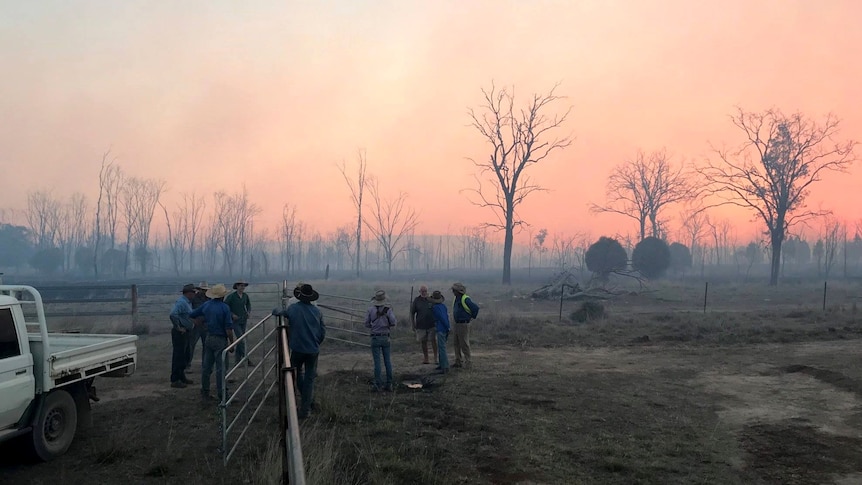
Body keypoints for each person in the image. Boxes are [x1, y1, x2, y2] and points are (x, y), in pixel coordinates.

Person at [271, 283, 326, 419]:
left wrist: (276, 310)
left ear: (299, 296)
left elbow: (278, 312)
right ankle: (306, 408)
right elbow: (323, 331)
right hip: (313, 350)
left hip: (298, 348)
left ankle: (299, 400)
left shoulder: (293, 309)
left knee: (296, 373)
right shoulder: (317, 311)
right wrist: (316, 342)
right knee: (309, 378)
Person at [190, 284, 235, 402]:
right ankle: (222, 395)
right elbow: (228, 328)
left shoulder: (206, 305)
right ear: (222, 296)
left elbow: (192, 314)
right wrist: (232, 343)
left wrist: (197, 322)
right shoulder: (225, 308)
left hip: (209, 337)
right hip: (220, 339)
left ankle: (205, 392)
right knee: (221, 368)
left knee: (206, 367)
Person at [365, 290, 396, 391]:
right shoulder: (388, 310)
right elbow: (393, 322)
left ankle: (378, 384)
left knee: (377, 362)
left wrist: (373, 325)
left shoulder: (370, 310)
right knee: (387, 361)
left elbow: (366, 323)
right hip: (385, 337)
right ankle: (389, 383)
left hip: (375, 337)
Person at [169, 284, 196, 388]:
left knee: (185, 355)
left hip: (186, 332)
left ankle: (181, 376)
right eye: (193, 292)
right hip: (180, 333)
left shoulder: (187, 302)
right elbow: (173, 314)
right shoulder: (182, 302)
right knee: (179, 356)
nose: (194, 294)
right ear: (188, 293)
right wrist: (178, 326)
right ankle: (175, 379)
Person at [450, 282, 480, 369]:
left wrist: (471, 317)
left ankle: (468, 362)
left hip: (463, 324)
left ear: (458, 291)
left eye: (454, 290)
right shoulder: (456, 299)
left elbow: (475, 308)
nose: (452, 292)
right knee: (456, 343)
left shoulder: (465, 299)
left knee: (464, 344)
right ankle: (458, 361)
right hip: (456, 324)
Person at [225, 280, 253, 367]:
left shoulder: (245, 296)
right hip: (235, 321)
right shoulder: (231, 296)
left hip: (243, 319)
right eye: (241, 286)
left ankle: (237, 360)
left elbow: (248, 304)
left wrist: (248, 312)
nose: (242, 287)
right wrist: (232, 314)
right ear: (237, 286)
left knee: (240, 339)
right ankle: (246, 358)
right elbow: (225, 306)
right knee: (241, 339)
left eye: (243, 286)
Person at [410, 285, 437, 364]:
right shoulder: (416, 300)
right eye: (422, 291)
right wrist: (413, 324)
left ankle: (436, 358)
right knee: (423, 342)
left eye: (425, 291)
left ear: (427, 291)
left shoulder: (431, 300)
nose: (424, 292)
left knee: (433, 341)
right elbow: (412, 313)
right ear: (419, 292)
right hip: (420, 325)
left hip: (431, 324)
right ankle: (426, 358)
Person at [186, 281, 210, 371]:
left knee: (206, 345)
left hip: (205, 324)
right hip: (195, 325)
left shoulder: (209, 298)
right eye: (202, 289)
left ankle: (205, 364)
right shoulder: (194, 298)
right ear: (199, 290)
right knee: (191, 345)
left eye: (205, 290)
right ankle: (188, 364)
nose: (203, 291)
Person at [429, 290, 450, 374]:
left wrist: (446, 326)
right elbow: (446, 317)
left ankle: (445, 366)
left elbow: (441, 318)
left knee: (442, 348)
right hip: (444, 328)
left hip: (441, 328)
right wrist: (448, 327)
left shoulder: (435, 308)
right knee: (442, 347)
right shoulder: (443, 306)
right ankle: (442, 364)